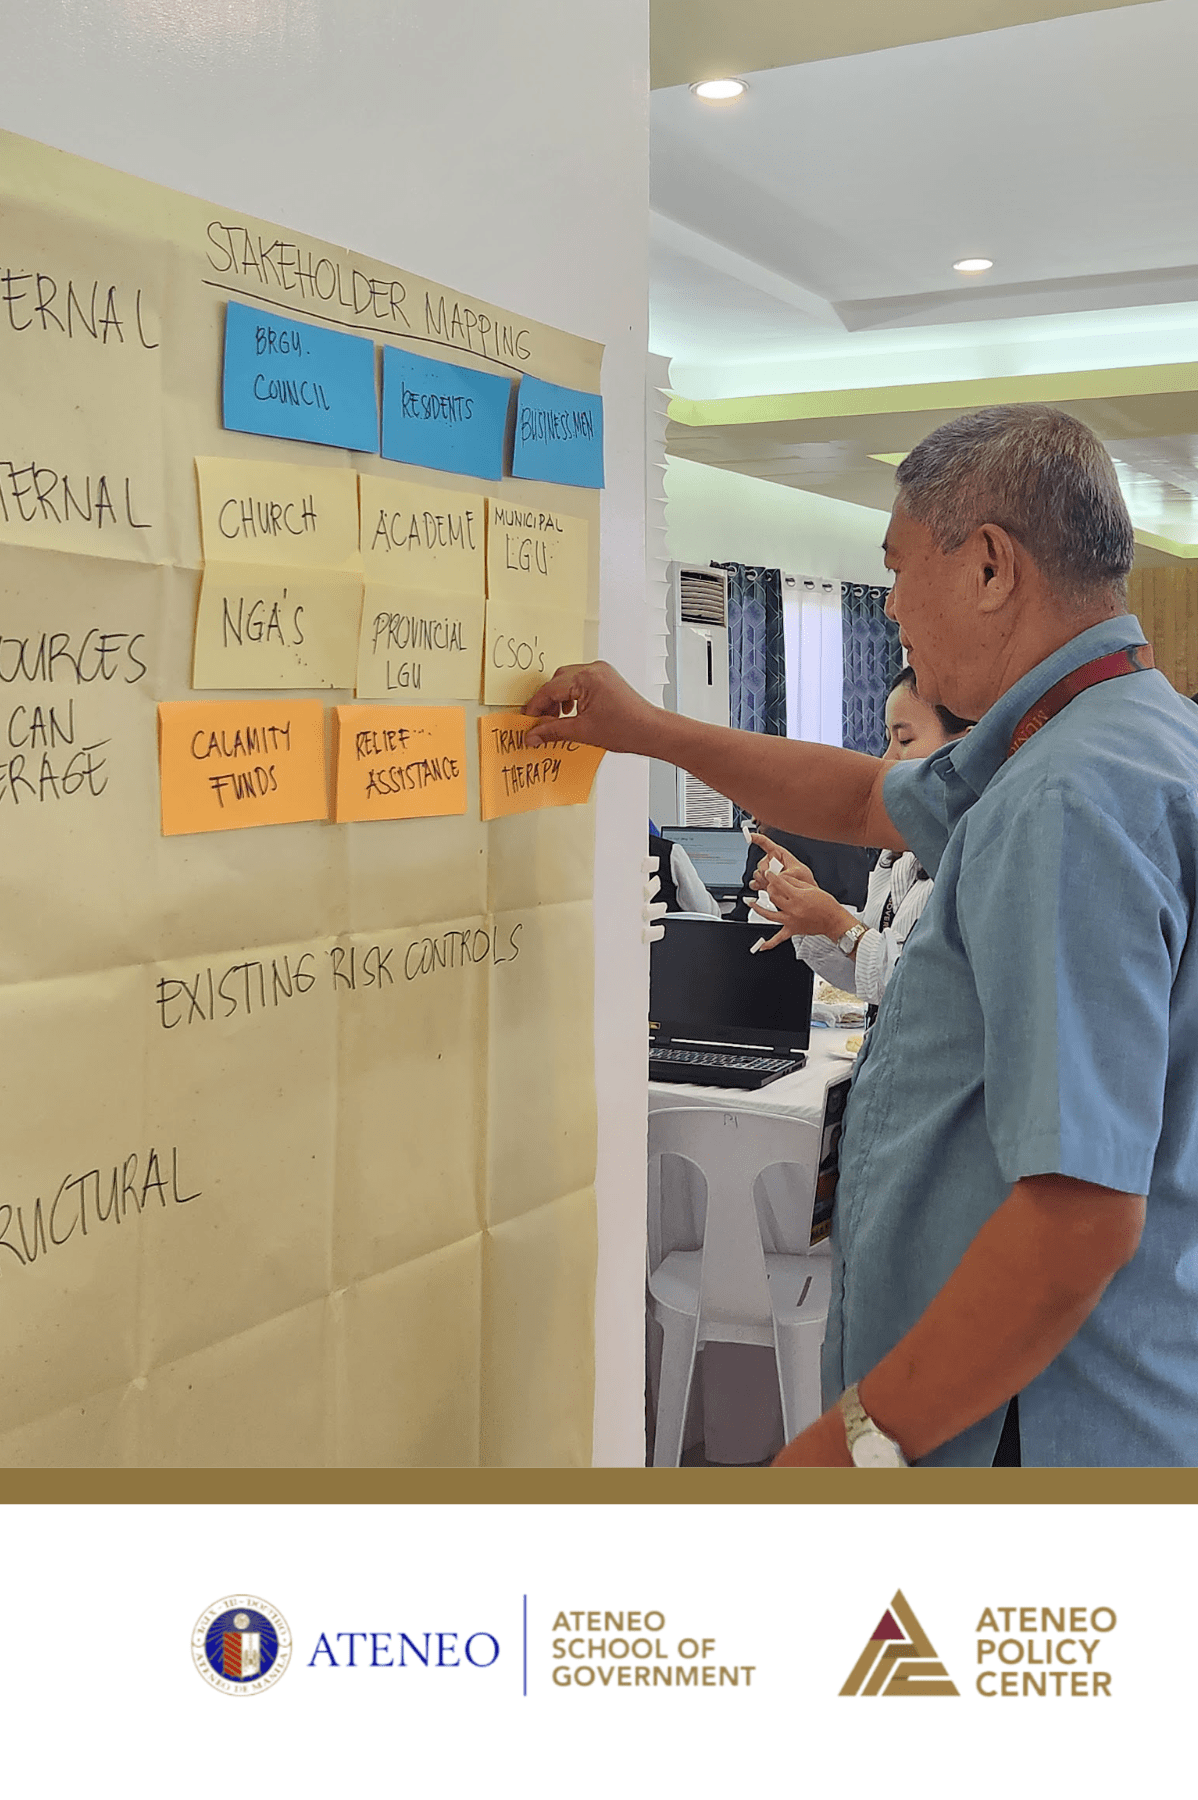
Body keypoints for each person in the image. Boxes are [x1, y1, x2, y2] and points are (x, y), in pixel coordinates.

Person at [523, 402, 1198, 1468]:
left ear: (987, 566)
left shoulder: (1068, 798)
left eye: (896, 568)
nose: (890, 607)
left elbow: (1076, 1222)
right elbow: (858, 799)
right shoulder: (1106, 734)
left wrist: (852, 1449)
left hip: (1028, 1429)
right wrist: (643, 731)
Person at [746, 667, 971, 1013]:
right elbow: (866, 974)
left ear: (965, 746)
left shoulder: (977, 855)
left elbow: (923, 989)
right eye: (889, 740)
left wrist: (837, 922)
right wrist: (812, 907)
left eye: (905, 740)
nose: (887, 759)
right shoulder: (900, 856)